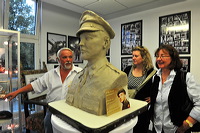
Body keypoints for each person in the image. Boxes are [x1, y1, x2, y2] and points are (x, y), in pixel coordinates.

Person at [4, 48, 82, 133]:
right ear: (58, 60)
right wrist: (16, 92)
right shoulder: (50, 74)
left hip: (72, 111)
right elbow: (34, 85)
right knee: (48, 126)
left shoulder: (80, 73)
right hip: (53, 111)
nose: (68, 60)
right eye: (64, 57)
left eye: (70, 57)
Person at [66, 10, 128, 116]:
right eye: (80, 39)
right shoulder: (78, 76)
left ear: (105, 42)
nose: (81, 44)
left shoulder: (116, 77)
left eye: (88, 38)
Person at [149, 45, 200, 133]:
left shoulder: (185, 77)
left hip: (177, 130)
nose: (158, 59)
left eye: (163, 56)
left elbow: (199, 103)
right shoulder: (155, 78)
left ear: (173, 58)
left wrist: (187, 124)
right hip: (157, 129)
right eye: (157, 56)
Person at [123, 46, 156, 133]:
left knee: (141, 129)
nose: (133, 58)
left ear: (144, 57)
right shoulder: (127, 70)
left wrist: (153, 97)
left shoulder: (151, 72)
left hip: (143, 110)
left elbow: (157, 88)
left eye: (136, 56)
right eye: (132, 56)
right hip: (128, 107)